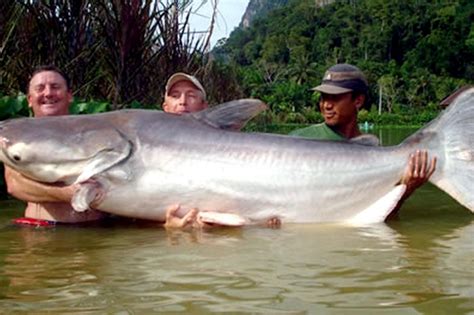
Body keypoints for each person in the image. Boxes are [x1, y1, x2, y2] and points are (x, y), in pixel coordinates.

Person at [290, 63, 437, 218]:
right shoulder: (299, 140)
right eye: (323, 97)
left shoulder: (376, 155)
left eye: (335, 98)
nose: (326, 105)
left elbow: (383, 218)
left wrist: (407, 188)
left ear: (358, 101)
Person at [5, 65, 106, 226]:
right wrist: (70, 194)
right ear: (29, 100)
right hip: (40, 231)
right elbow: (15, 184)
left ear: (69, 96)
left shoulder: (92, 133)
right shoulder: (17, 138)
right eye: (40, 88)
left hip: (96, 230)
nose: (48, 93)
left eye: (55, 87)